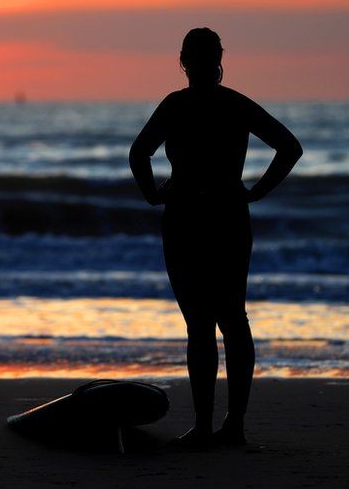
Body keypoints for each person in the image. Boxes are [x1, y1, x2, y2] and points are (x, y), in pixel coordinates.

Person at [129, 28, 302, 447]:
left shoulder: (176, 105)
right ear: (219, 58)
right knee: (233, 320)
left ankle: (206, 427)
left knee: (201, 326)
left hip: (186, 216)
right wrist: (254, 192)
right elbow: (289, 147)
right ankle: (233, 426)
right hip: (228, 215)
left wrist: (154, 195)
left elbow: (139, 154)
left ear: (183, 61)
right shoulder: (234, 104)